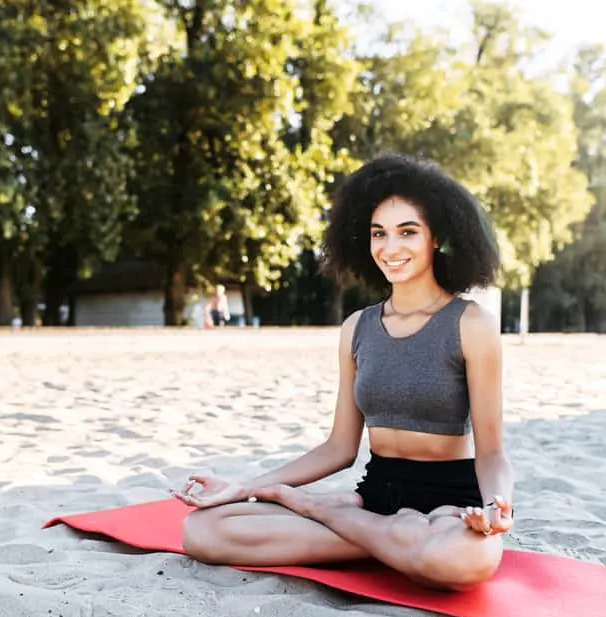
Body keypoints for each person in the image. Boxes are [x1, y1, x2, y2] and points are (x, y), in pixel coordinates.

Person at [173, 154, 513, 591]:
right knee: (202, 531)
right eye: (379, 234)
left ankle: (326, 513)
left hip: (447, 509)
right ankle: (387, 540)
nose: (391, 248)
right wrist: (243, 488)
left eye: (407, 232)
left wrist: (496, 507)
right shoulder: (357, 328)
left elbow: (492, 453)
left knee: (466, 559)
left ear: (438, 238)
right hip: (373, 499)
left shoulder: (472, 324)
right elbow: (338, 447)